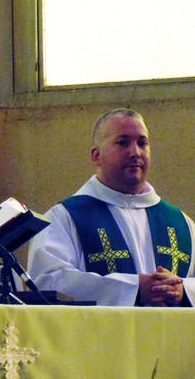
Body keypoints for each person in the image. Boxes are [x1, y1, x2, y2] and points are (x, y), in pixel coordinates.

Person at [27, 108, 195, 306]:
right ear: (96, 156)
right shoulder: (64, 218)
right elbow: (46, 283)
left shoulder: (181, 222)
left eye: (142, 143)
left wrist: (183, 290)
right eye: (123, 143)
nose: (135, 152)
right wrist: (133, 289)